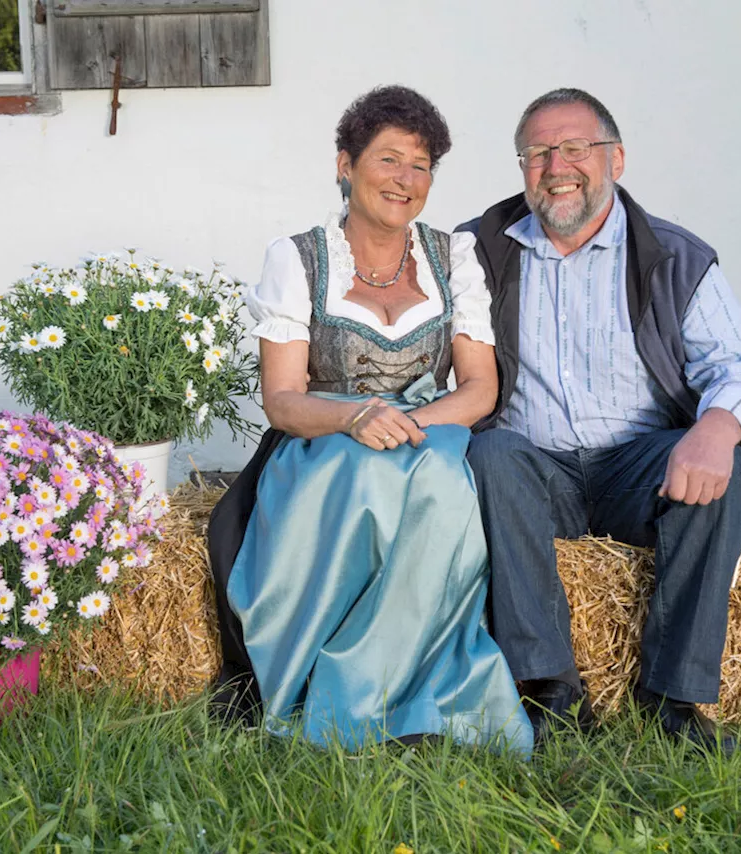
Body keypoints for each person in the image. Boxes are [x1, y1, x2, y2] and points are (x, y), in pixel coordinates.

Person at [204, 85, 532, 753]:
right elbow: (283, 399)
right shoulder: (297, 259)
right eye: (388, 160)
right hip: (326, 434)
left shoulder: (454, 258)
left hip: (431, 429)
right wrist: (356, 420)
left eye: (420, 165)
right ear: (344, 165)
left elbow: (479, 389)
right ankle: (347, 705)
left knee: (441, 478)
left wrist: (414, 427)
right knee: (363, 476)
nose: (405, 180)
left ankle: (420, 703)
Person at [460, 88, 741, 752]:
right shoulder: (477, 251)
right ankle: (548, 691)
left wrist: (717, 430)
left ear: (617, 159)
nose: (557, 166)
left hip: (640, 468)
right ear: (522, 167)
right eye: (539, 152)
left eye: (577, 148)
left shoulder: (674, 255)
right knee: (489, 458)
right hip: (532, 470)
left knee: (723, 462)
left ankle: (674, 700)